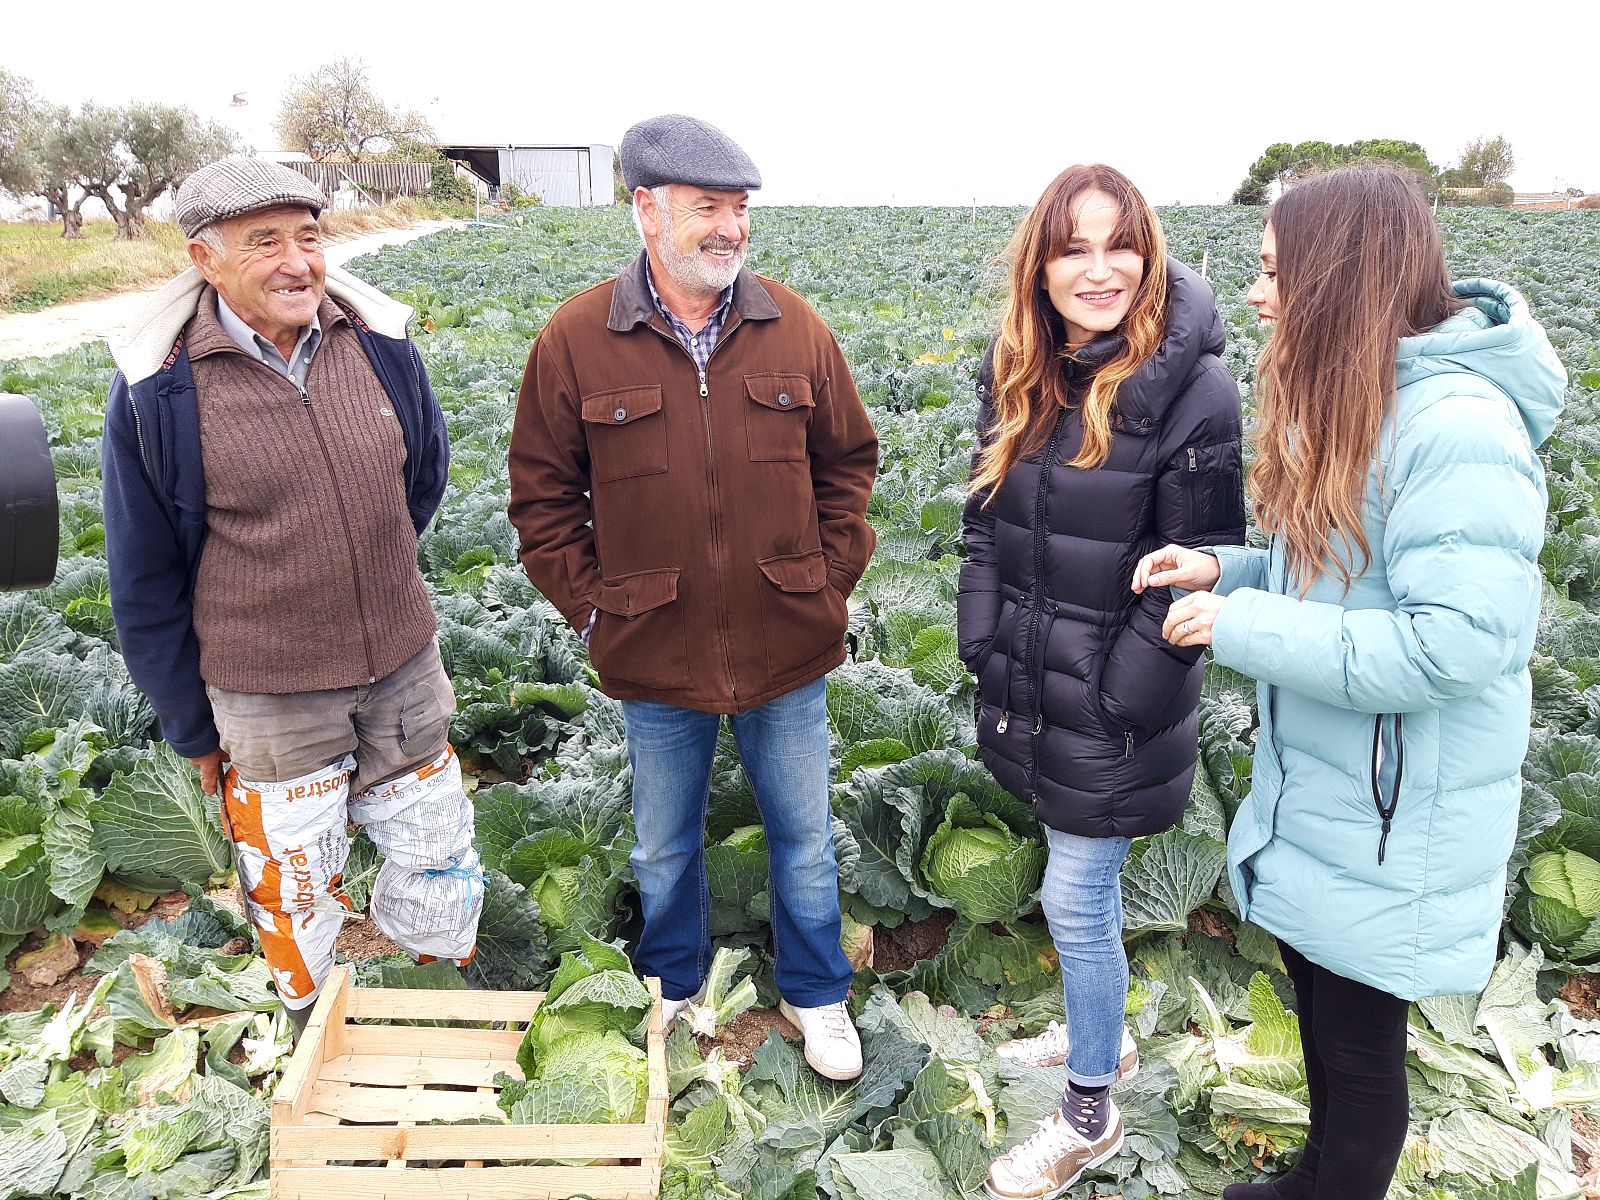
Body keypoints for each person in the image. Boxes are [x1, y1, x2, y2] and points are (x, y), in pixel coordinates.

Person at [1139, 163, 1566, 1200]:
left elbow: (1447, 646)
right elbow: (1328, 581)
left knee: (1364, 1054)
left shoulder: (1455, 427)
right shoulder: (1364, 397)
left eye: (1274, 271)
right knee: (1322, 1017)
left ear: (1338, 278)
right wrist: (1226, 571)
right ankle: (1308, 1179)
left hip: (1394, 811)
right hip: (1338, 793)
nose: (1254, 292)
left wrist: (1242, 623)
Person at [508, 115, 878, 1081]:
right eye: (708, 208)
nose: (730, 228)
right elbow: (541, 497)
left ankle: (816, 990)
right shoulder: (578, 339)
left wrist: (830, 581)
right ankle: (672, 983)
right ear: (647, 210)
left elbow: (849, 463)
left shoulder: (792, 325)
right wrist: (593, 610)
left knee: (804, 836)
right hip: (655, 645)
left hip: (787, 638)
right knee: (663, 844)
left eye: (740, 209)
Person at [102, 156, 480, 1039]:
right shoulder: (160, 391)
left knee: (433, 844)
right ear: (205, 259)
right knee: (294, 870)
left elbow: (417, 480)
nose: (295, 262)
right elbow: (143, 575)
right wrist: (192, 726)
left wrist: (365, 571)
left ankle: (442, 996)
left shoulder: (380, 343)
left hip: (401, 665)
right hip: (266, 691)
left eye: (308, 237)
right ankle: (311, 1020)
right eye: (263, 241)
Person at [959, 164, 1245, 1200]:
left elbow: (1199, 565)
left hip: (1116, 709)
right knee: (1077, 888)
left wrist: (1116, 696)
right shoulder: (1021, 367)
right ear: (1038, 265)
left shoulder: (1194, 389)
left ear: (1148, 252)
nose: (1097, 269)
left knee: (1074, 897)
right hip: (1036, 684)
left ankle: (1088, 1114)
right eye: (1070, 248)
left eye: (1116, 245)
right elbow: (984, 522)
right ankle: (1105, 1041)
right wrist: (983, 639)